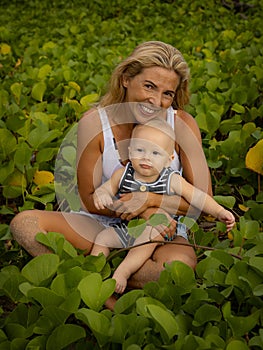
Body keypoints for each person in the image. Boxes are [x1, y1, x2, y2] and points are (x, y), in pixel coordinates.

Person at [10, 40, 214, 291]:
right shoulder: (95, 123)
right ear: (126, 78)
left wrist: (151, 203)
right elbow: (87, 198)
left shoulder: (181, 124)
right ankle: (114, 276)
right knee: (24, 224)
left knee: (175, 269)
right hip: (102, 222)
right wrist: (139, 210)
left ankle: (94, 276)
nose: (156, 100)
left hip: (163, 227)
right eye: (149, 86)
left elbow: (204, 201)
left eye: (167, 93)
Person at [91, 119, 235, 297]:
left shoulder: (170, 179)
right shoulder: (123, 174)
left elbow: (198, 197)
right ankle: (93, 273)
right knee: (102, 237)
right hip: (128, 227)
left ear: (169, 159)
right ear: (129, 151)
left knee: (150, 232)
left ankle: (124, 271)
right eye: (140, 150)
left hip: (161, 230)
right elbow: (106, 189)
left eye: (155, 153)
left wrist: (220, 211)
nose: (146, 157)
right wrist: (102, 195)